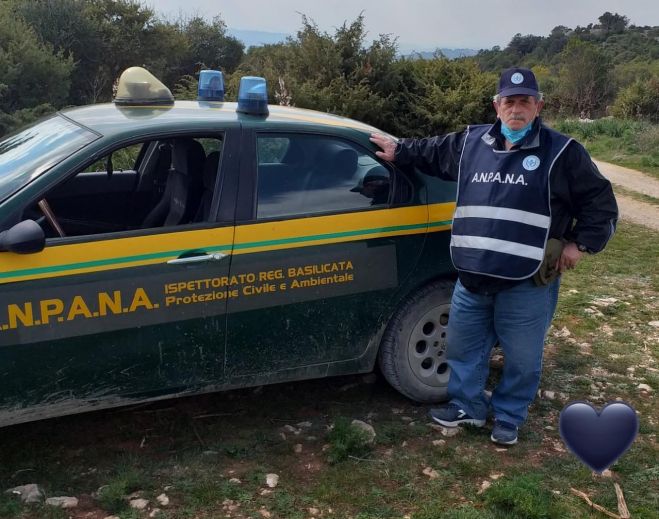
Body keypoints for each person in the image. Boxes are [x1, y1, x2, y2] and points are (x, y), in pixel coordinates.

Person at [370, 67, 618, 445]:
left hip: (526, 279)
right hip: (472, 275)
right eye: (509, 101)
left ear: (538, 105)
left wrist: (579, 244)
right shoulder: (472, 142)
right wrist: (400, 150)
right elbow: (433, 152)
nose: (516, 109)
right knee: (462, 348)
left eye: (524, 101)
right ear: (496, 105)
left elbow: (600, 202)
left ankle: (508, 415)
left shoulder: (562, 152)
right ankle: (467, 407)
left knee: (521, 357)